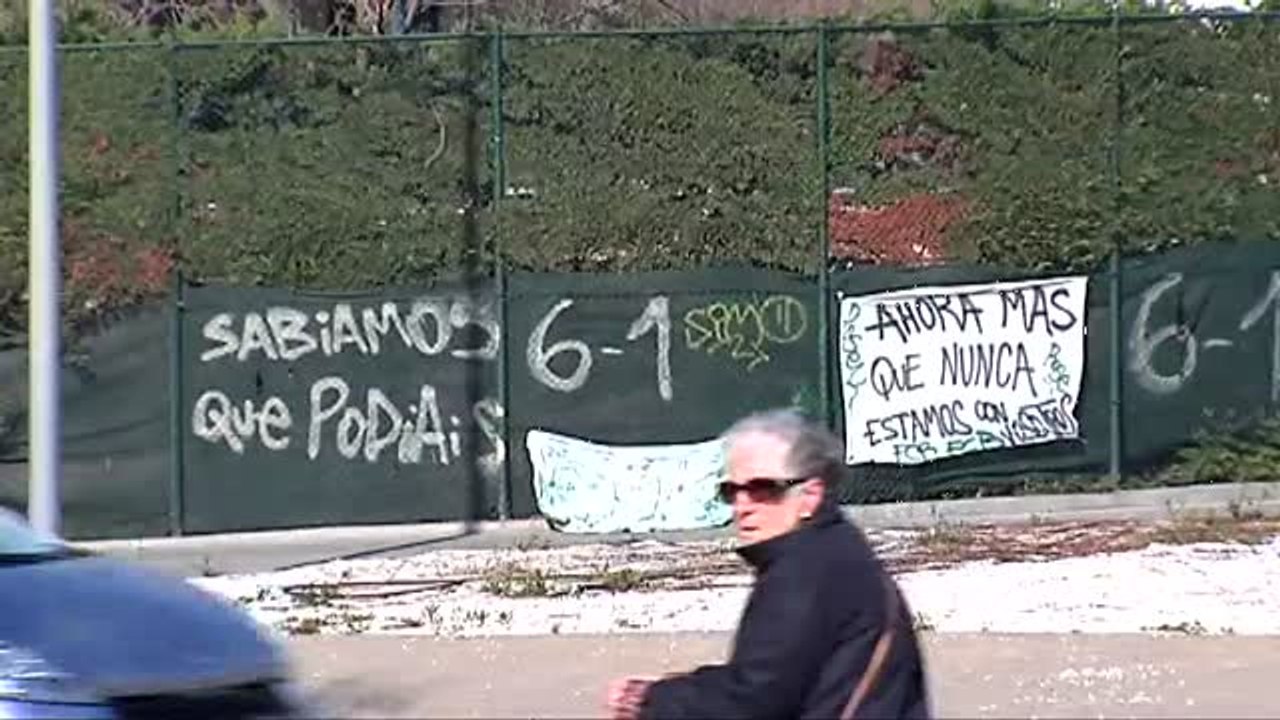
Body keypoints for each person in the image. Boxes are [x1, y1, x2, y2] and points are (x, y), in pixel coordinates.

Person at [606, 409, 931, 720]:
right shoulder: (833, 546)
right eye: (732, 491)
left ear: (809, 496)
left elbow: (753, 700)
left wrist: (648, 701)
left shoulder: (804, 572)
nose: (742, 506)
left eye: (762, 489)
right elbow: (772, 681)